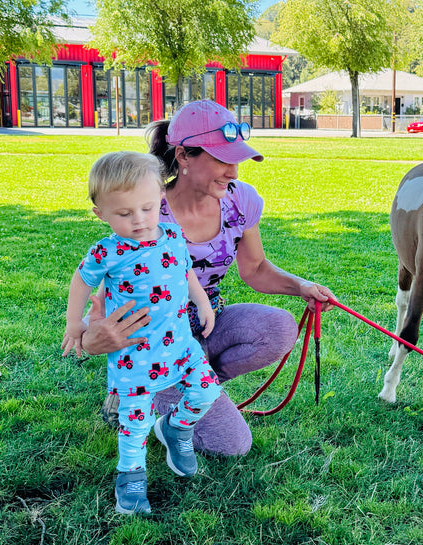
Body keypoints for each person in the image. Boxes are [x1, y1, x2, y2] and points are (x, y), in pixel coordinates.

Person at [80, 100, 334, 457]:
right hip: (159, 346)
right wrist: (91, 338)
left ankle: (196, 387)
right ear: (183, 156)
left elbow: (256, 268)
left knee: (278, 327)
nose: (234, 172)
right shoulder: (147, 212)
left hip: (204, 323)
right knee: (233, 446)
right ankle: (142, 394)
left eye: (236, 160)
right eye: (221, 160)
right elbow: (108, 294)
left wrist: (302, 287)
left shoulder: (240, 201)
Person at [63, 151, 221, 515]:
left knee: (207, 390)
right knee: (134, 423)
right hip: (136, 355)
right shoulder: (107, 251)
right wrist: (75, 323)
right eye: (124, 213)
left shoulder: (171, 234)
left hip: (181, 344)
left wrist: (202, 302)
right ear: (100, 213)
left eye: (147, 209)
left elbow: (185, 270)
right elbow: (81, 281)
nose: (139, 221)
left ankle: (177, 428)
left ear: (160, 200)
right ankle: (130, 479)